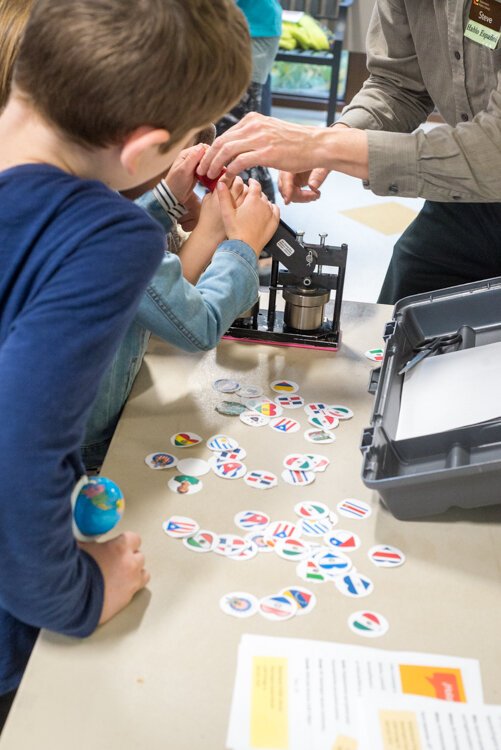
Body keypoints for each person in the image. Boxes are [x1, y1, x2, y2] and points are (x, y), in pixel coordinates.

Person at [0, 0, 279, 732]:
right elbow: (17, 451)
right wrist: (82, 593)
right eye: (189, 137)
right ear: (146, 147)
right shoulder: (108, 236)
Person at [199, 0, 501, 304]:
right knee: (405, 305)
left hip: (485, 167)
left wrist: (322, 145)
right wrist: (335, 138)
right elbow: (398, 86)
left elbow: (494, 150)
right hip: (469, 198)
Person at [216, 0, 282, 202]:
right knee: (234, 125)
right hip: (244, 27)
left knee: (238, 126)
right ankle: (250, 203)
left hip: (253, 30)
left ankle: (257, 205)